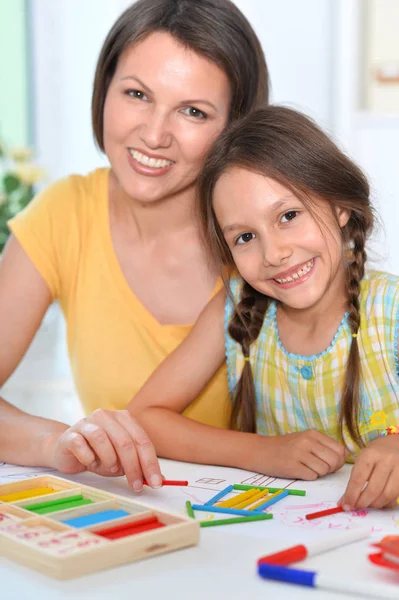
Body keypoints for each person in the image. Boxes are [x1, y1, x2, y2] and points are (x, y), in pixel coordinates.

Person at [0, 0, 269, 491]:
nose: (154, 133)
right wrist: (60, 442)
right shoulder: (65, 214)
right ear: (105, 90)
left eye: (193, 111)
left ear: (236, 127)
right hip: (137, 524)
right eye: (137, 94)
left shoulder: (267, 235)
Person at [131, 105, 399, 510]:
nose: (274, 253)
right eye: (244, 237)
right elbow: (145, 415)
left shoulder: (390, 309)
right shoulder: (236, 308)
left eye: (288, 215)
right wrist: (261, 452)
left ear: (340, 206)